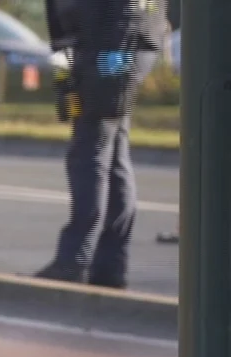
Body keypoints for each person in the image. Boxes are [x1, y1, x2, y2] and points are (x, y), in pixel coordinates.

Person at [35, 0, 166, 290]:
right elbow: (60, 38)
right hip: (105, 52)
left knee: (89, 152)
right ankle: (109, 266)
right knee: (113, 154)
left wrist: (105, 77)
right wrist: (65, 84)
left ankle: (75, 259)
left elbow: (131, 18)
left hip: (120, 52)